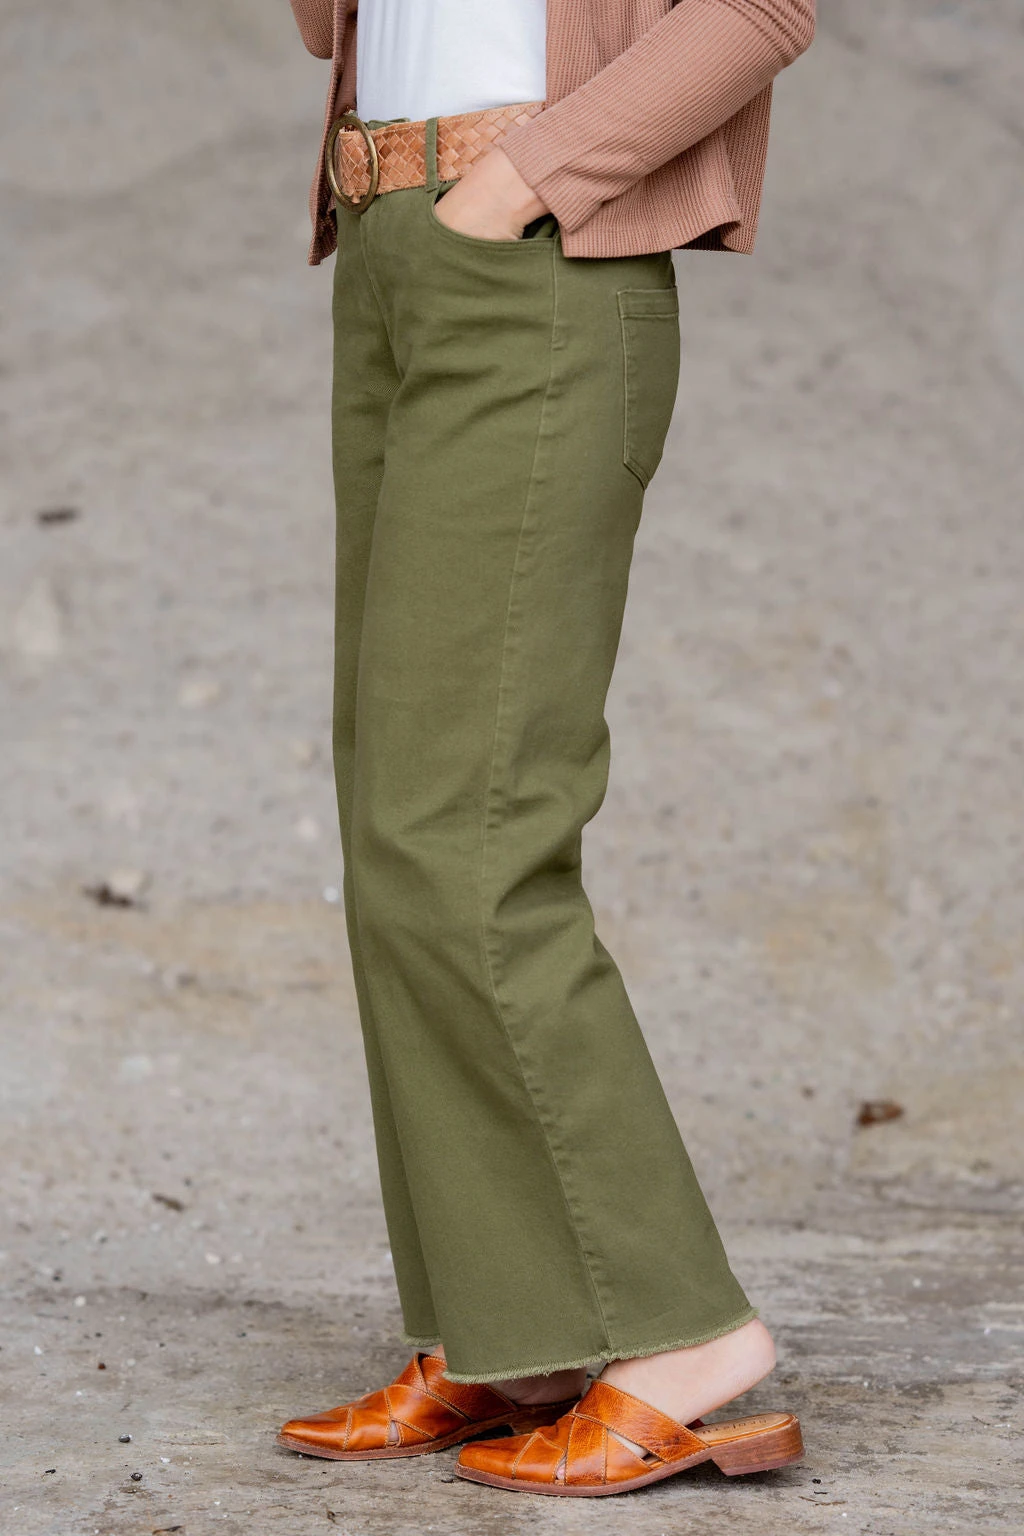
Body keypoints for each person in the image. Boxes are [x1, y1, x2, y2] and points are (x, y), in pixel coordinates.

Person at [277, 0, 815, 1498]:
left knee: (468, 833)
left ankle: (682, 1334)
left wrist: (523, 182)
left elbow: (760, 10)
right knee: (395, 828)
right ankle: (511, 1331)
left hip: (537, 257)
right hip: (390, 250)